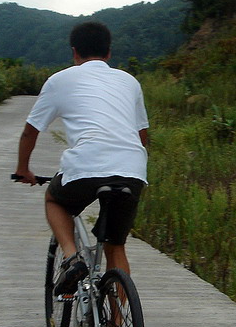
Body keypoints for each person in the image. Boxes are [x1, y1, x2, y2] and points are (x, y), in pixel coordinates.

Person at [14, 21, 149, 294]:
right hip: (132, 169)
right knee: (115, 246)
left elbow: (30, 133)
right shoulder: (129, 81)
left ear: (74, 52)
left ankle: (71, 258)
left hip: (86, 165)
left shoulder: (59, 80)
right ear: (109, 52)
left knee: (54, 199)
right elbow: (142, 135)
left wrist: (23, 169)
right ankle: (115, 326)